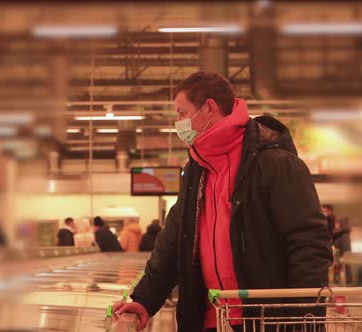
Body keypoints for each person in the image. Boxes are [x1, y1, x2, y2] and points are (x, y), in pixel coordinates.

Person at [113, 72, 332, 332]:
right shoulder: (197, 169)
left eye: (182, 113)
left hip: (265, 321)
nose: (178, 122)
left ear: (209, 108)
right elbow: (173, 242)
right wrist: (144, 301)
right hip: (209, 321)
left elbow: (309, 244)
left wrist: (300, 319)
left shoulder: (275, 164)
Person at [332, 217, 352, 284]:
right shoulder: (339, 235)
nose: (335, 224)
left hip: (342, 268)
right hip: (338, 265)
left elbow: (346, 253)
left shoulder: (344, 236)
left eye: (337, 223)